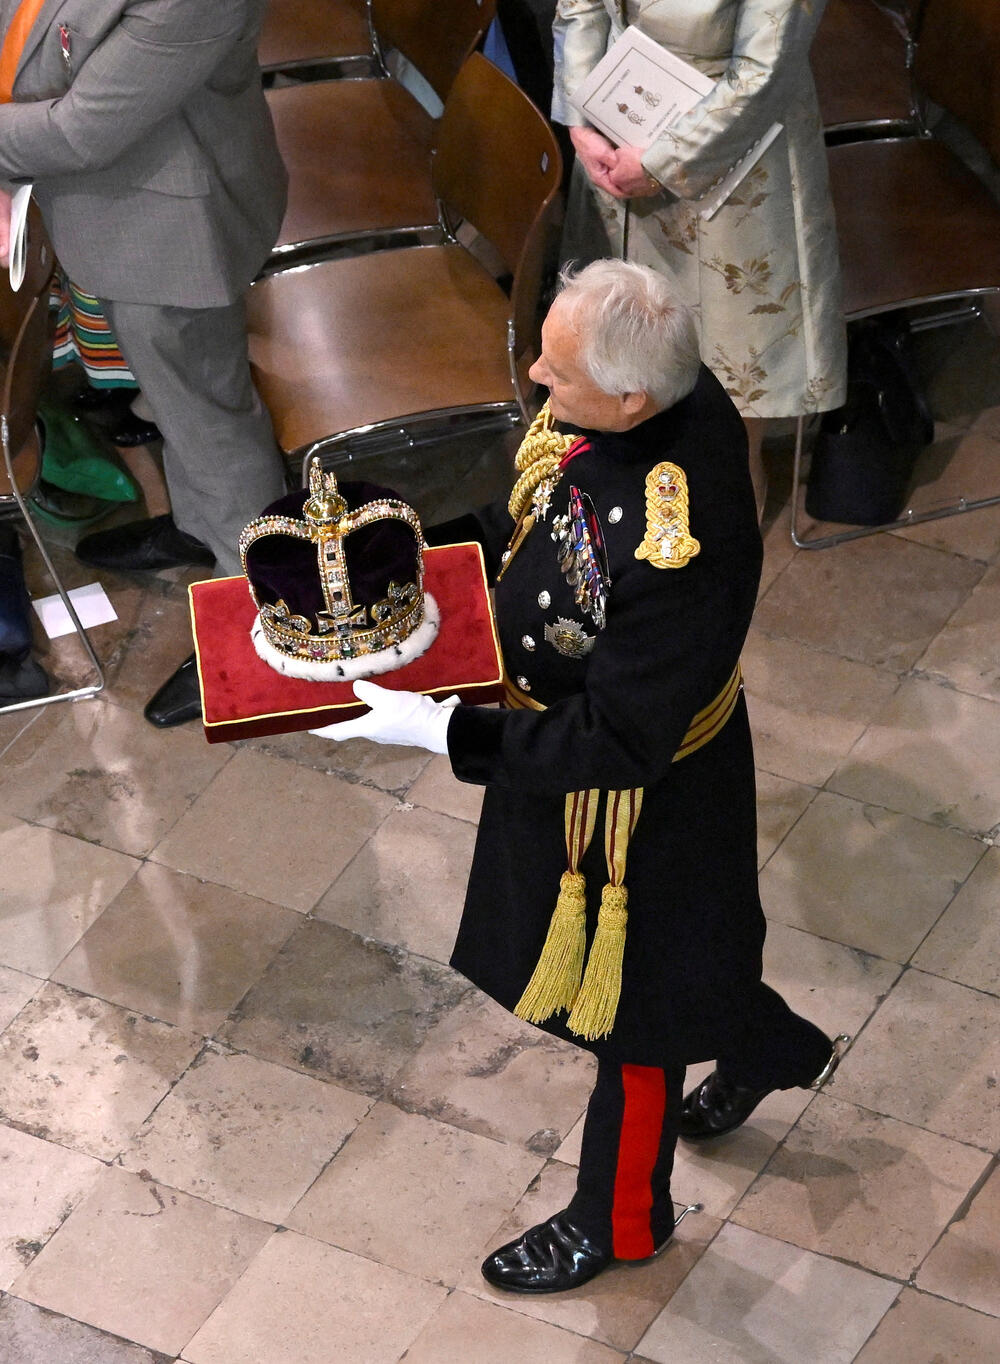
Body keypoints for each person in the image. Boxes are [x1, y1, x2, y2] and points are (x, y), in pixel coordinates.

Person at [312, 260, 848, 1293]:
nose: (534, 380)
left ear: (631, 396)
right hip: (562, 742)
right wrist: (424, 564)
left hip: (642, 804)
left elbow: (619, 742)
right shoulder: (626, 410)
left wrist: (442, 735)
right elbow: (542, 530)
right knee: (692, 973)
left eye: (556, 375)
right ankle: (770, 1042)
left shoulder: (673, 538)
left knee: (639, 1020)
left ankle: (619, 1220)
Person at [0, 0, 288, 726]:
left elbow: (80, 129)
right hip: (119, 203)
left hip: (173, 226)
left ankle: (264, 618)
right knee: (174, 398)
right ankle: (198, 527)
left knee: (210, 416)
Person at [551, 0, 847, 514]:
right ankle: (623, 544)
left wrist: (668, 159)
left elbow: (765, 67)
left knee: (727, 416)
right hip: (618, 126)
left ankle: (724, 572)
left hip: (732, 157)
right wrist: (583, 117)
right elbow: (581, 5)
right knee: (614, 370)